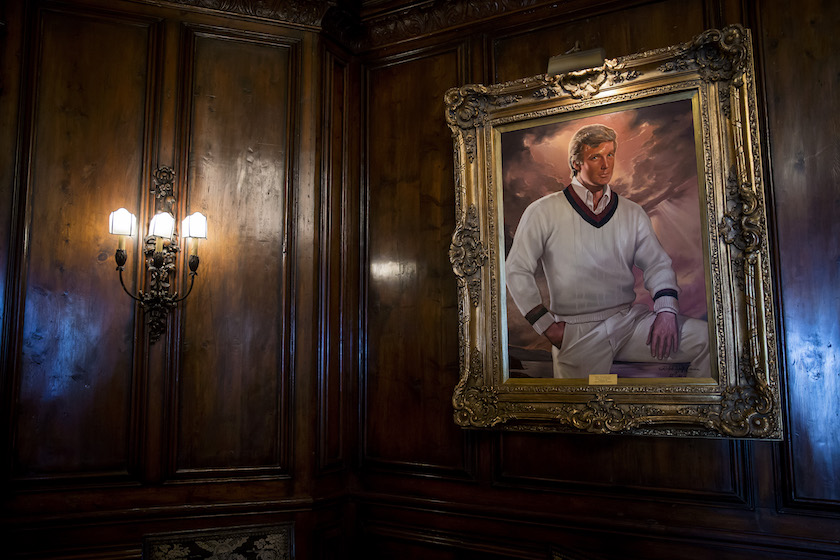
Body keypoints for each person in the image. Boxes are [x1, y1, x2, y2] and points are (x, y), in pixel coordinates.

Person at [505, 124, 709, 378]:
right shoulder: (542, 211)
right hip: (577, 332)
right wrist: (546, 326)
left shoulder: (631, 212)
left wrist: (666, 311)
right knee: (581, 411)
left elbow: (657, 264)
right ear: (576, 163)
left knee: (706, 340)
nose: (606, 164)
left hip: (629, 321)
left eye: (610, 155)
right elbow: (516, 269)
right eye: (595, 157)